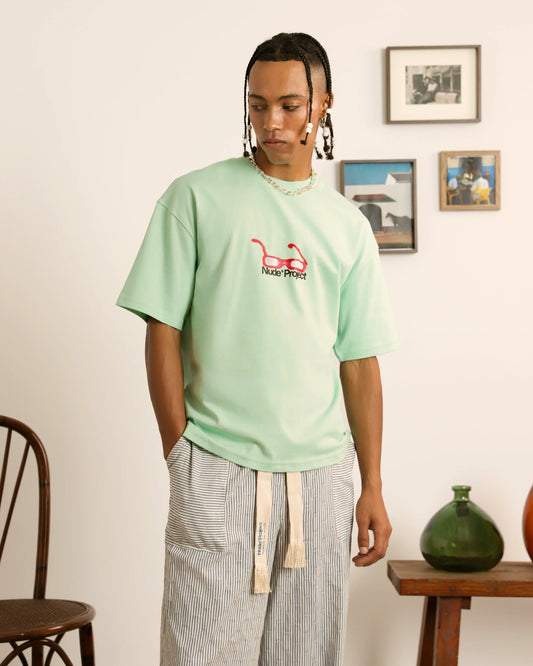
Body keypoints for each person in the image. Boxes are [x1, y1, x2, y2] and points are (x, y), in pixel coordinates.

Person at [117, 32, 398, 665]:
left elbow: (359, 362)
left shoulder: (347, 227)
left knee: (306, 657)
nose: (272, 122)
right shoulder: (195, 197)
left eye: (290, 105)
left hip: (322, 480)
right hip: (217, 466)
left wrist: (372, 484)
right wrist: (180, 450)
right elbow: (162, 327)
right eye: (257, 104)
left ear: (323, 104)